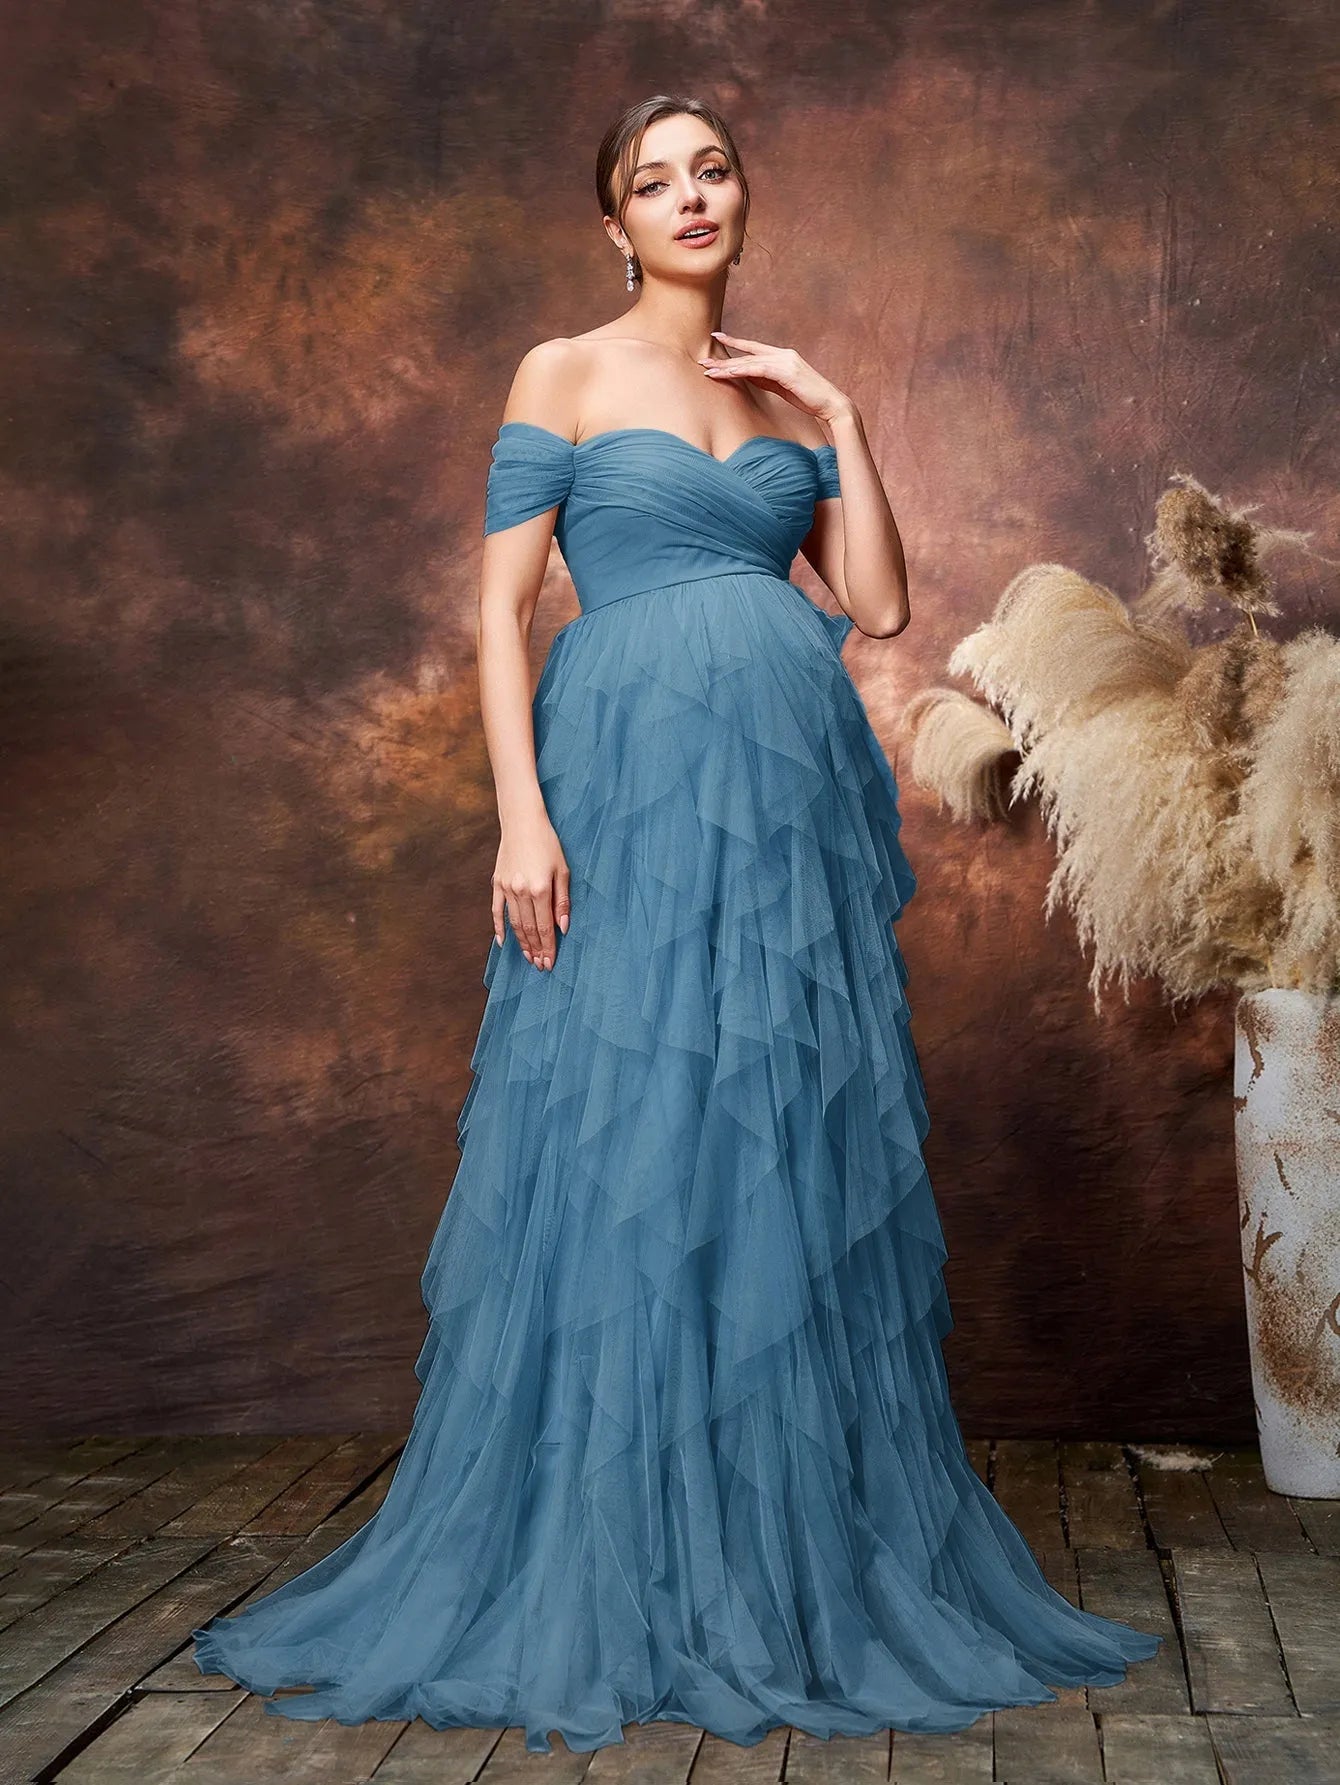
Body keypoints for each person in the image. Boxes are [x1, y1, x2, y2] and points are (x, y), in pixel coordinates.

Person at [192, 93, 1162, 1753]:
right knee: (631, 1127)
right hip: (625, 790)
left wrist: (836, 410)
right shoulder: (561, 373)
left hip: (788, 820)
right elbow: (502, 609)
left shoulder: (779, 391)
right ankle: (615, 1551)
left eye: (712, 170)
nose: (690, 196)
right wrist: (522, 817)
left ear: (741, 198)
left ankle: (777, 1558)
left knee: (772, 1133)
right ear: (616, 224)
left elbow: (877, 605)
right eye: (655, 181)